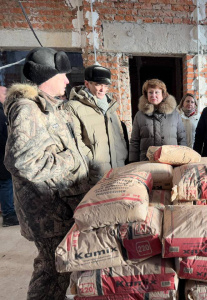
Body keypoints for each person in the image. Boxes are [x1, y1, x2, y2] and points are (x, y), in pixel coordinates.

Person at [3, 47, 90, 299]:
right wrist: (71, 159)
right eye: (61, 75)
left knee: (62, 270)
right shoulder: (27, 109)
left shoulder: (51, 106)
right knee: (52, 272)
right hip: (48, 213)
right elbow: (21, 162)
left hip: (62, 206)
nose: (66, 80)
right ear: (46, 78)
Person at [66, 65, 128, 184]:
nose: (102, 90)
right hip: (95, 173)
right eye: (98, 85)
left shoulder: (110, 105)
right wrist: (93, 161)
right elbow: (75, 141)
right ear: (87, 83)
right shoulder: (74, 107)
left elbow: (119, 134)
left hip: (118, 168)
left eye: (105, 86)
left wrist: (123, 153)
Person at [129, 79, 186, 162]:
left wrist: (183, 159)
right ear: (146, 94)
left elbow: (182, 138)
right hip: (146, 162)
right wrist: (133, 162)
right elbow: (134, 141)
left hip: (171, 161)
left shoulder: (174, 114)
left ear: (163, 94)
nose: (153, 95)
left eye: (157, 92)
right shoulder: (139, 115)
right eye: (150, 92)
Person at [0, 85, 19, 227]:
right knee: (5, 184)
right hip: (2, 155)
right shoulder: (1, 113)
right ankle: (8, 215)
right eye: (4, 93)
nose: (7, 95)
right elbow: (4, 136)